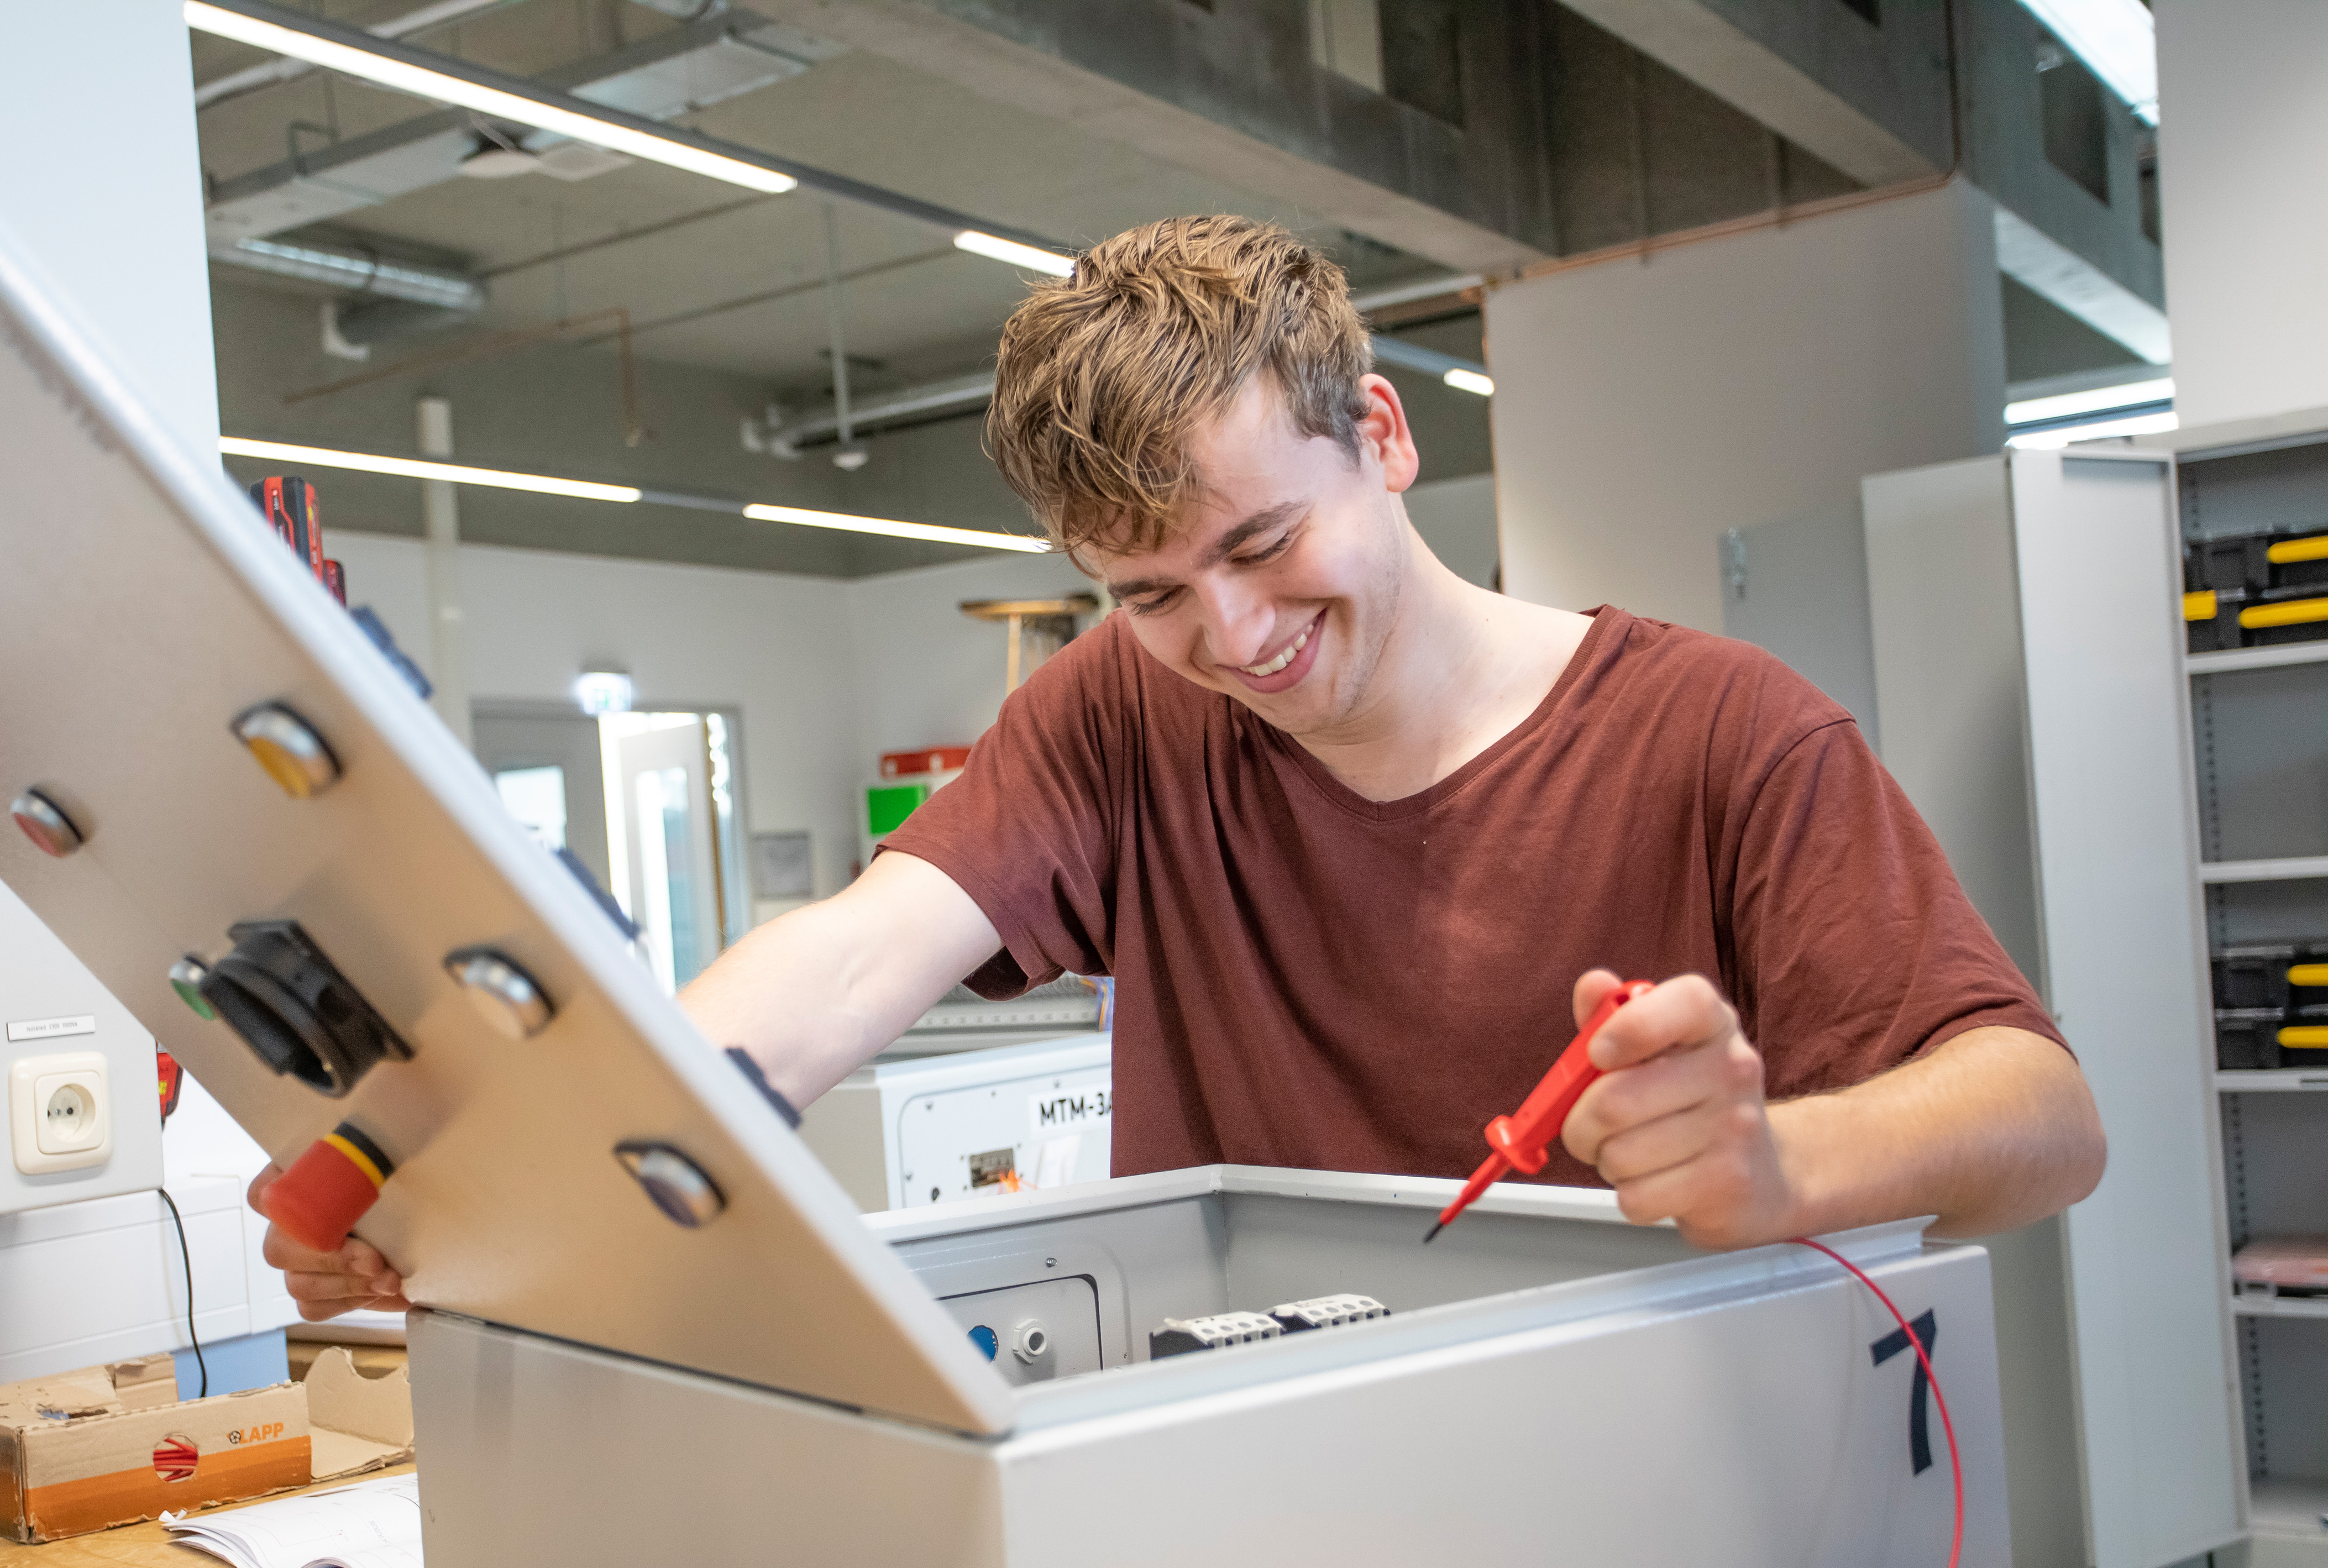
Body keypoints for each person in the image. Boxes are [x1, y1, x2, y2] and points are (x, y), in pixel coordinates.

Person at [257, 214, 2105, 1323]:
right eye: (1146, 593)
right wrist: (546, 1177)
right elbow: (849, 959)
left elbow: (2042, 1119)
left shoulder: (1726, 734)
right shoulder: (1122, 716)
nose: (1229, 638)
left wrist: (1781, 1162)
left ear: (1379, 434)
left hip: (1661, 1494)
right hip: (1249, 1475)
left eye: (1261, 546)